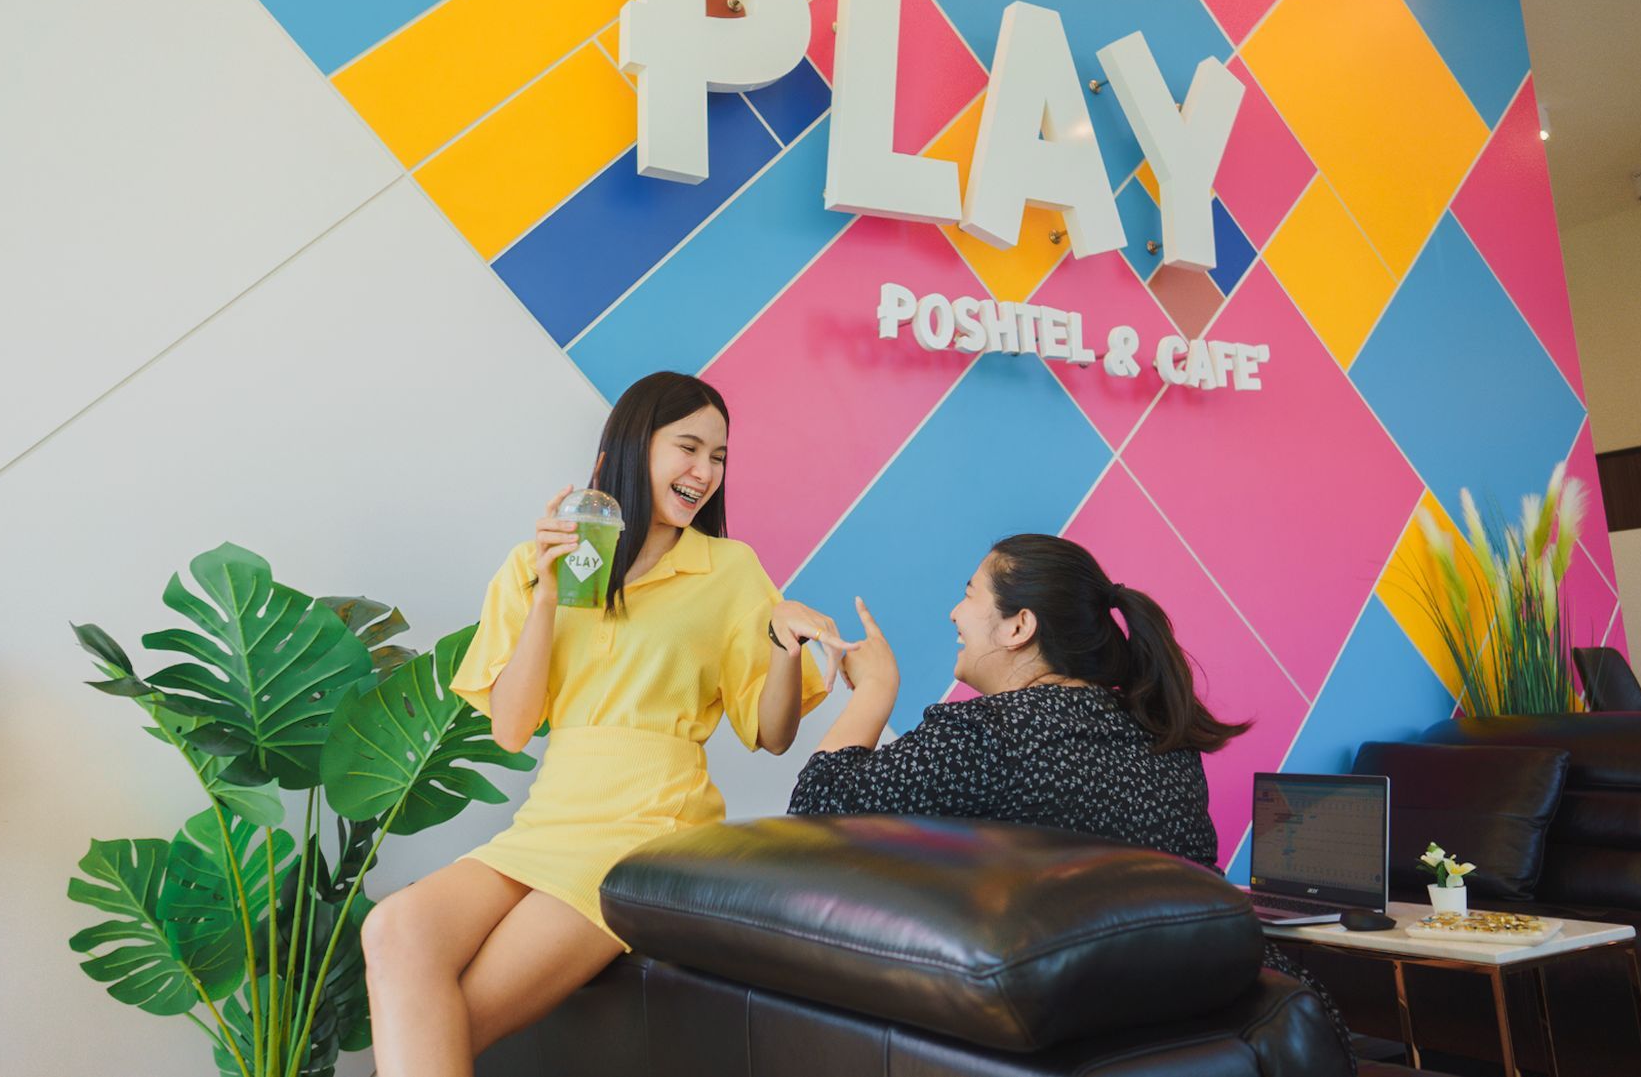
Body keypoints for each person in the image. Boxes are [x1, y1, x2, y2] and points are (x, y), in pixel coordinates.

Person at [361, 372, 856, 1077]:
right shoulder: (538, 562)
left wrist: (783, 645)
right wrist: (545, 594)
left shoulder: (729, 568)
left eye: (718, 456)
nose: (705, 471)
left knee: (449, 1022)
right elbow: (511, 727)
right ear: (632, 445)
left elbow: (772, 733)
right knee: (394, 927)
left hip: (649, 824)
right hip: (551, 818)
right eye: (689, 447)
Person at [787, 532, 1357, 1070]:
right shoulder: (1161, 739)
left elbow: (815, 810)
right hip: (1242, 1019)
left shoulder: (988, 733)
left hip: (1095, 1034)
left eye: (968, 596)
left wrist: (875, 691)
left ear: (1019, 627)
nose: (954, 614)